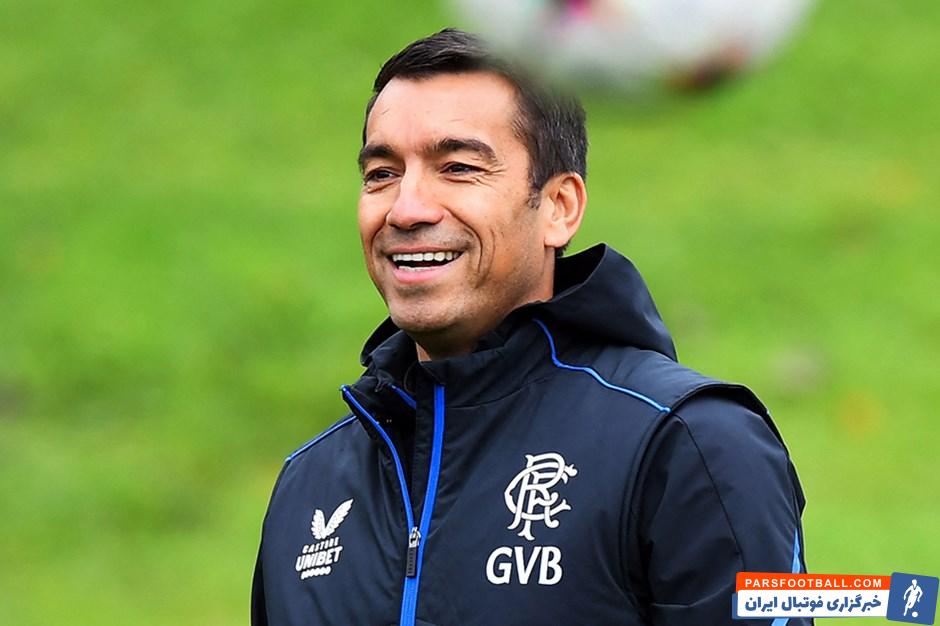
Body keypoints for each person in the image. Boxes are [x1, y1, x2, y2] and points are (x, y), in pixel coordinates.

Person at [252, 28, 809, 626]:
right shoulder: (308, 486)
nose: (406, 208)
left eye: (458, 167)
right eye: (382, 173)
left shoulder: (692, 442)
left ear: (559, 207)